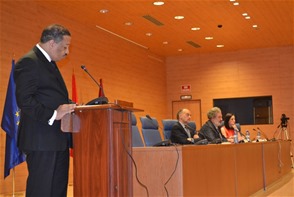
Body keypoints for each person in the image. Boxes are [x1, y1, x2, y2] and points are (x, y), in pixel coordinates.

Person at [14, 24, 76, 197]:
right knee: (41, 191)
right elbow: (25, 101)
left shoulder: (49, 63)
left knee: (57, 191)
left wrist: (71, 105)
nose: (67, 52)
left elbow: (51, 96)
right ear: (51, 43)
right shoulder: (29, 62)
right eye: (65, 47)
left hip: (57, 139)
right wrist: (55, 114)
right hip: (41, 140)